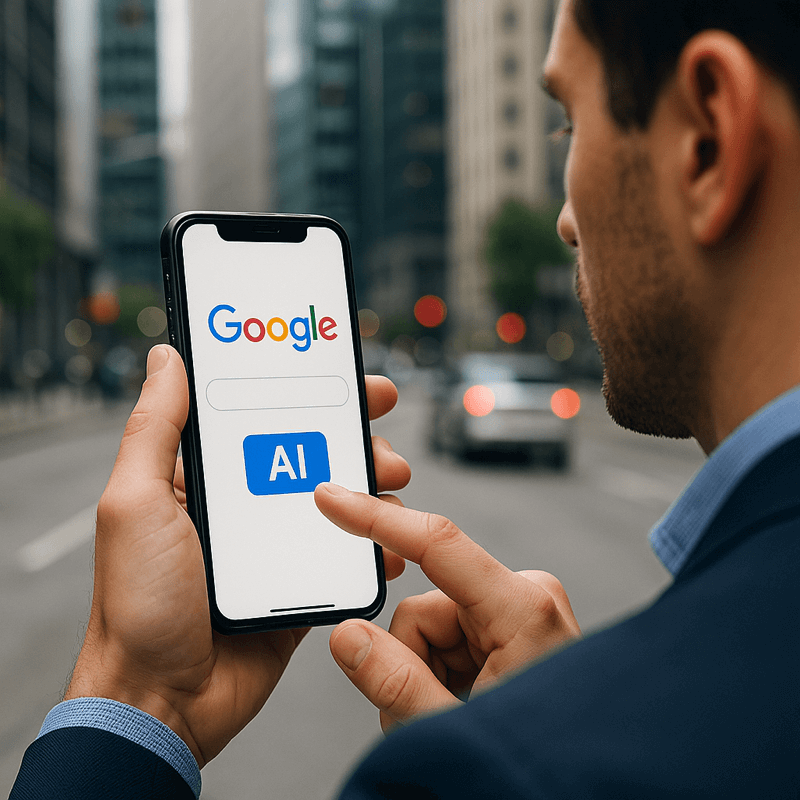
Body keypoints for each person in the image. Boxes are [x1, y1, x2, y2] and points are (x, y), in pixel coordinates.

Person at [11, 0, 800, 795]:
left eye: (570, 127)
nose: (563, 220)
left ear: (708, 137)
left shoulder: (490, 772)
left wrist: (135, 701)